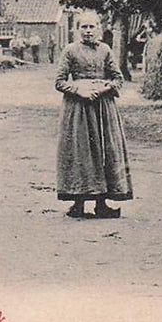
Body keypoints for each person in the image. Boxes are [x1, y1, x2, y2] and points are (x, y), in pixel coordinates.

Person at [55, 11, 132, 218]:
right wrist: (79, 90)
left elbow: (118, 78)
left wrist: (105, 88)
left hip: (103, 108)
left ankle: (102, 204)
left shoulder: (105, 50)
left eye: (92, 27)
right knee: (81, 151)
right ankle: (78, 203)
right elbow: (60, 81)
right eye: (84, 27)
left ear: (99, 28)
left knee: (104, 151)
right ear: (77, 29)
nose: (88, 31)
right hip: (78, 109)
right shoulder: (70, 50)